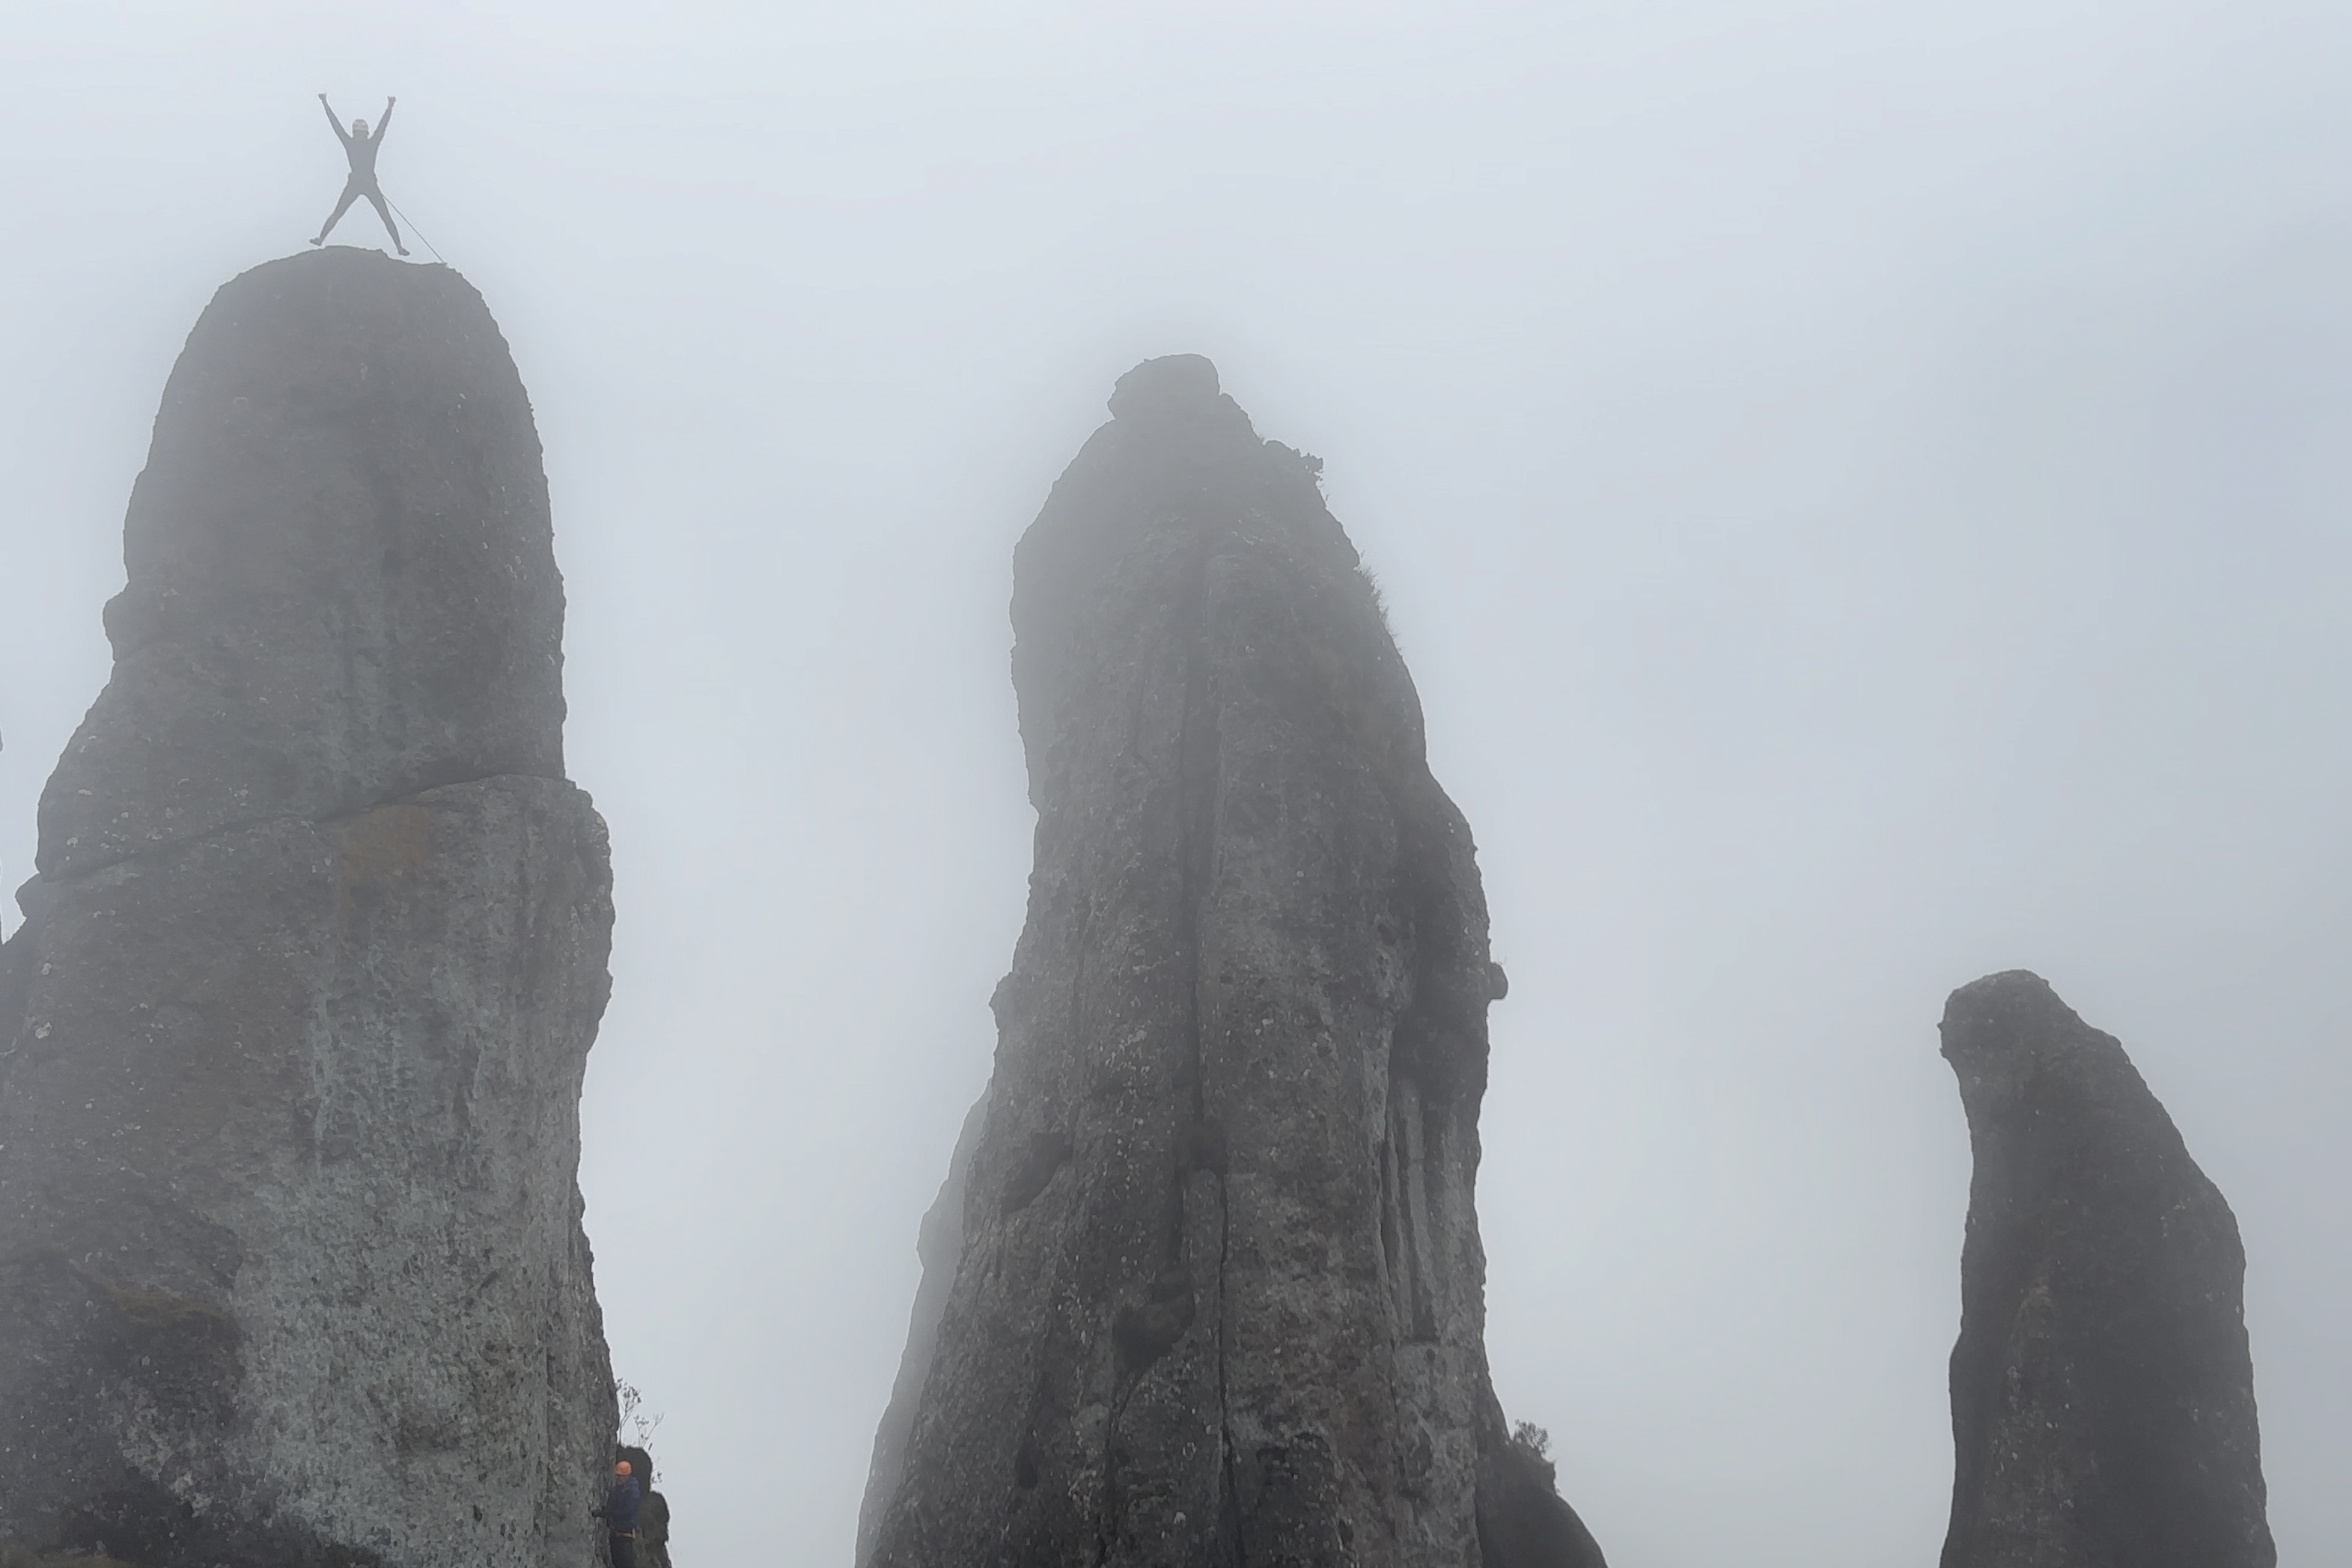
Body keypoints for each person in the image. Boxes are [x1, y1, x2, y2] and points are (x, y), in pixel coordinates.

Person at [311, 94, 409, 255]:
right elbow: (336, 127)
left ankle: (399, 247)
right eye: (358, 133)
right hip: (359, 183)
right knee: (340, 212)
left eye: (360, 133)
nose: (359, 136)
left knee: (385, 215)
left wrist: (390, 108)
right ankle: (321, 239)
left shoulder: (364, 143)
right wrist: (325, 104)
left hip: (366, 183)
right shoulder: (364, 143)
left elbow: (382, 127)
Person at [594, 1458, 642, 1568]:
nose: (619, 1478)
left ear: (627, 1476)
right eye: (618, 1476)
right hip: (616, 1534)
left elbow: (629, 1510)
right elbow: (612, 1506)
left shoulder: (632, 1491)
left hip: (625, 1535)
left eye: (621, 1476)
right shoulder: (617, 1490)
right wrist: (605, 1512)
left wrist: (609, 1513)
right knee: (618, 1564)